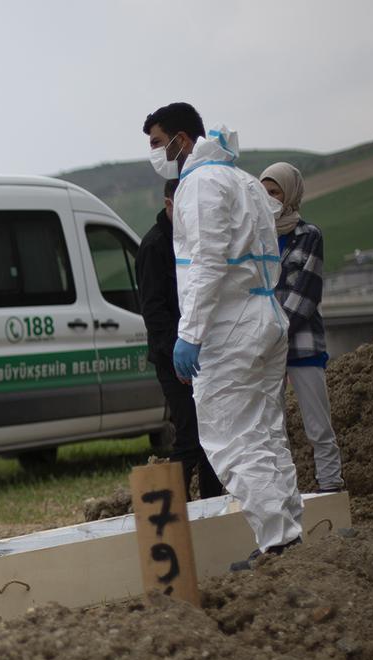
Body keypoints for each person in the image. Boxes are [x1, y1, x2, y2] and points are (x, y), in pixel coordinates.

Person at [140, 103, 304, 570]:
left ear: (182, 140)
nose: (154, 154)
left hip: (230, 325)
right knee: (266, 433)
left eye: (157, 143)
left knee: (232, 438)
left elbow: (208, 262)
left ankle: (277, 541)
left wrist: (189, 334)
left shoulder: (199, 185)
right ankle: (288, 530)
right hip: (265, 315)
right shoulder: (244, 180)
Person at [135, 177, 224, 501]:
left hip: (199, 354)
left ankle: (213, 509)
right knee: (188, 439)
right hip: (173, 358)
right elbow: (154, 311)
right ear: (169, 204)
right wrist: (177, 356)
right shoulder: (155, 245)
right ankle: (171, 518)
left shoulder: (188, 240)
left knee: (210, 439)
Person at [260, 162, 345, 493]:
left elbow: (307, 292)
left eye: (275, 192)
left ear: (290, 193)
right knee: (273, 428)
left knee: (317, 424)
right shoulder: (256, 238)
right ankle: (283, 494)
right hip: (267, 346)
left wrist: (276, 331)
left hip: (301, 343)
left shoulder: (309, 235)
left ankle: (330, 486)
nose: (269, 199)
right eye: (263, 193)